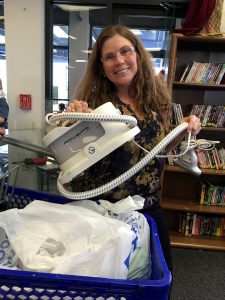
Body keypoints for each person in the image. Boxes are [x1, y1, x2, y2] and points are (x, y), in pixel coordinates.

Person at [66, 25, 201, 274]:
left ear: (137, 54)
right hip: (105, 212)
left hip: (148, 207)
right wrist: (74, 121)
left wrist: (180, 130)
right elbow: (74, 156)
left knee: (161, 276)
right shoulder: (94, 105)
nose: (119, 61)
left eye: (125, 51)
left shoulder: (157, 98)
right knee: (113, 282)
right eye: (109, 56)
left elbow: (158, 151)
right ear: (102, 67)